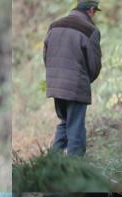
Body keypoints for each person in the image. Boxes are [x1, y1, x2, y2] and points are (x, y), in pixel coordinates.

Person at [44, 0, 102, 156]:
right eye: (95, 11)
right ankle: (75, 169)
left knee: (64, 123)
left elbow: (46, 56)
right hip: (76, 85)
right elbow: (94, 65)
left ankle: (52, 163)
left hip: (55, 84)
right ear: (91, 10)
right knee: (76, 126)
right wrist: (83, 80)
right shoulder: (90, 30)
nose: (94, 15)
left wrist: (55, 77)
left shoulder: (54, 26)